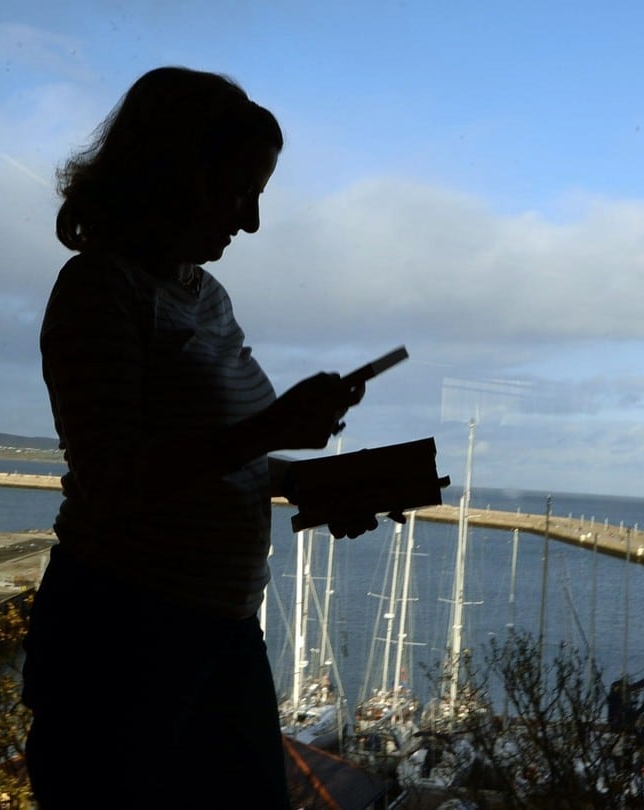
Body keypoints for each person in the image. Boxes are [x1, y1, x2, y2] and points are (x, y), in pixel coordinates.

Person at [22, 66, 379, 808]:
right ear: (173, 174)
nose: (249, 220)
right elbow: (115, 478)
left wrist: (311, 481)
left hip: (218, 629)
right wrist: (274, 429)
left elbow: (224, 457)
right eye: (238, 189)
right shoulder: (100, 289)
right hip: (123, 640)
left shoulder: (202, 294)